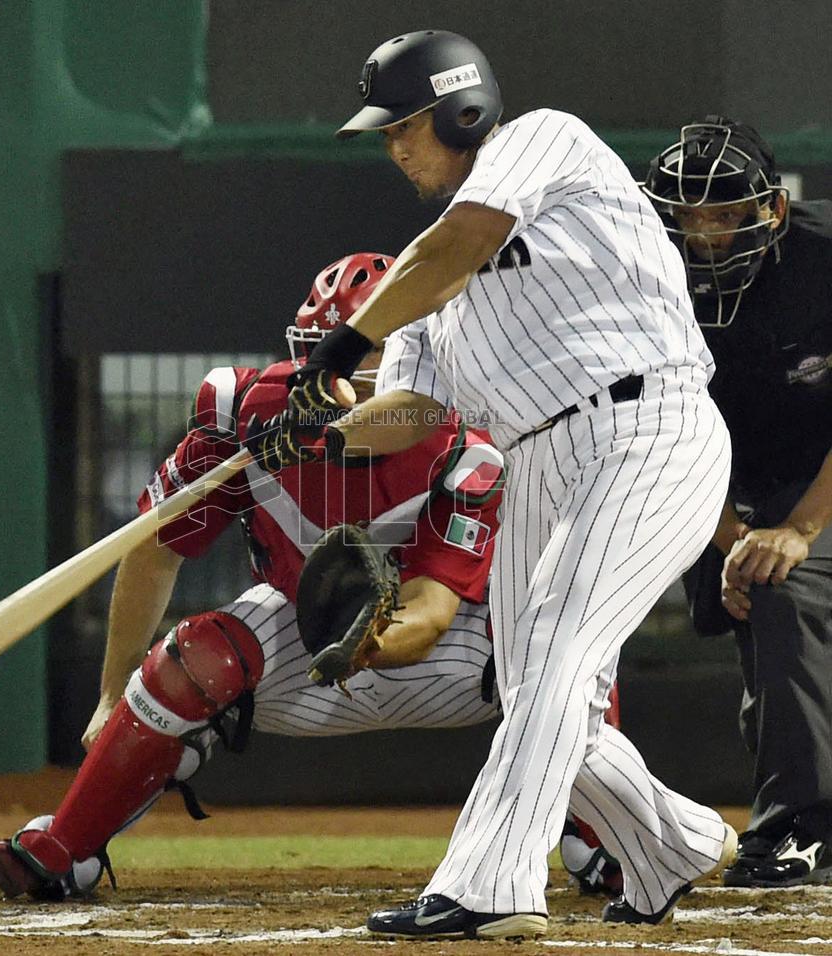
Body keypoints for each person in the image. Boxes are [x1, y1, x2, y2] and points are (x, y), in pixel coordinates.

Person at [246, 30, 736, 940]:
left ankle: (492, 884)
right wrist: (314, 438)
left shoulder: (544, 139)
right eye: (386, 133)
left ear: (464, 110)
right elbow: (412, 414)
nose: (395, 148)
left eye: (406, 125)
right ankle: (672, 843)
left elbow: (462, 241)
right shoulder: (425, 294)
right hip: (535, 461)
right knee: (534, 687)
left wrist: (342, 343)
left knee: (556, 649)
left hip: (647, 428)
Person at [0, 252, 508, 901]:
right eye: (326, 351)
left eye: (361, 353)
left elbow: (432, 610)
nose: (334, 375)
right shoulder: (244, 415)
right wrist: (114, 695)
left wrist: (366, 638)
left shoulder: (468, 443)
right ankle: (67, 847)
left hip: (457, 657)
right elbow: (157, 547)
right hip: (304, 634)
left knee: (563, 667)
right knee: (193, 660)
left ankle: (600, 844)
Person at [644, 117, 832, 888]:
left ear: (773, 209)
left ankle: (801, 825)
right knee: (755, 607)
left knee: (784, 589)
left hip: (818, 474)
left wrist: (799, 529)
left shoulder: (824, 259)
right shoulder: (638, 276)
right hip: (712, 479)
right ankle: (601, 831)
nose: (706, 233)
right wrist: (731, 539)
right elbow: (652, 425)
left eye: (725, 211)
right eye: (689, 214)